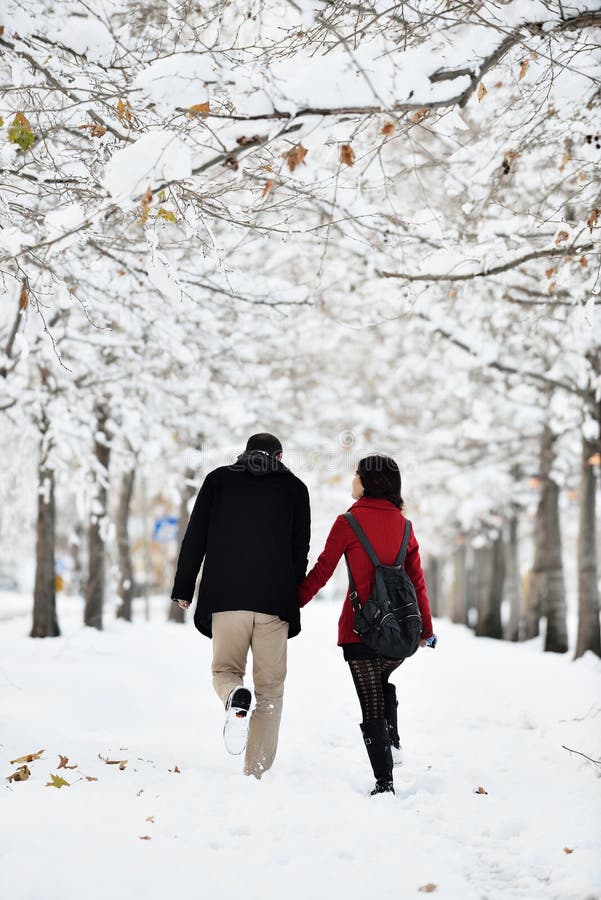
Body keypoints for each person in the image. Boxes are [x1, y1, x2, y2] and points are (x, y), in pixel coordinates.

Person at [171, 433, 311, 779]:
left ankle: (234, 694)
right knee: (270, 690)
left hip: (226, 597)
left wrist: (184, 587)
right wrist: (290, 595)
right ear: (279, 457)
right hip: (274, 604)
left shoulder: (217, 481)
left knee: (224, 671)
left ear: (244, 453)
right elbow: (299, 551)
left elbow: (195, 538)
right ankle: (256, 773)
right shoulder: (296, 489)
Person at [299, 455, 436, 795]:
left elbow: (322, 570)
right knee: (381, 681)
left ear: (368, 481)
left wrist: (291, 603)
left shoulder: (349, 522)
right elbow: (417, 581)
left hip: (360, 629)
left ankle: (385, 782)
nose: (353, 480)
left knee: (370, 701)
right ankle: (393, 739)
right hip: (401, 630)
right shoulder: (405, 526)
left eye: (356, 475)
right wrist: (426, 630)